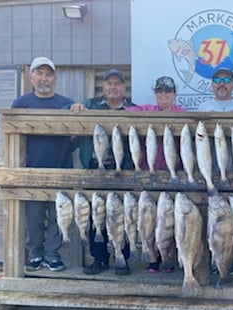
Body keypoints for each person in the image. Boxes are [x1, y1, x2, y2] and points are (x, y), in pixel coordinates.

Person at [11, 57, 75, 272]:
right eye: (39, 73)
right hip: (31, 171)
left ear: (54, 78)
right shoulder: (20, 104)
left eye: (48, 74)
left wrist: (79, 111)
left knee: (59, 216)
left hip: (61, 169)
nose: (44, 78)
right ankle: (36, 254)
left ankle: (52, 254)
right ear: (31, 77)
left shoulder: (67, 104)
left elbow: (78, 135)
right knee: (34, 218)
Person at [70, 68, 135, 276]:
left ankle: (122, 256)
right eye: (109, 83)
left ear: (124, 88)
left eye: (117, 83)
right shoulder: (89, 105)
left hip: (120, 171)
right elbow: (63, 110)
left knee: (121, 214)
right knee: (94, 214)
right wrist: (74, 107)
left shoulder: (132, 110)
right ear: (103, 86)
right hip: (93, 169)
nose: (113, 87)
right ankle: (99, 258)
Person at [125, 76, 186, 273]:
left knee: (168, 220)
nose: (164, 95)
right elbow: (126, 112)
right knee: (147, 219)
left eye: (168, 91)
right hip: (147, 174)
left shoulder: (182, 114)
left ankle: (167, 257)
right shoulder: (146, 111)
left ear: (174, 94)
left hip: (172, 175)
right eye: (160, 91)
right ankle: (152, 258)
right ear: (155, 94)